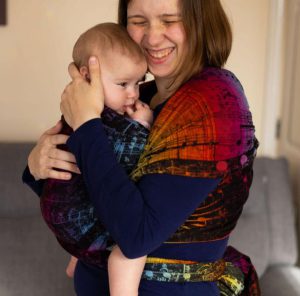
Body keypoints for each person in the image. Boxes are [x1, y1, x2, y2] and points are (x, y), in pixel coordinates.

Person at [23, 0, 261, 295]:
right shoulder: (138, 98)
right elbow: (91, 188)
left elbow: (136, 236)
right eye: (138, 21)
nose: (152, 36)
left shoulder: (211, 102)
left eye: (169, 19)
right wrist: (38, 162)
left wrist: (86, 123)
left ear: (201, 22)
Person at [39, 22, 153, 296]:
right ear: (86, 76)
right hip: (76, 213)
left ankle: (77, 258)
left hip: (62, 206)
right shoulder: (109, 120)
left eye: (138, 83)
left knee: (101, 205)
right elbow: (131, 160)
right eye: (123, 83)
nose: (133, 93)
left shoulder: (75, 110)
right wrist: (142, 127)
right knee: (132, 248)